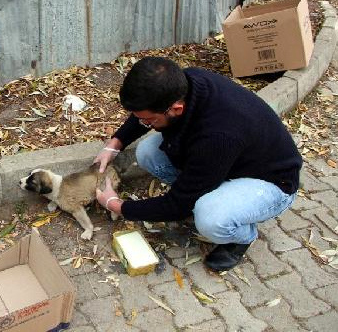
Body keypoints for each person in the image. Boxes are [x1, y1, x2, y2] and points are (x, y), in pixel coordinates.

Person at [95, 57, 302, 271]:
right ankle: (204, 190)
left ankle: (241, 237)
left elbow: (177, 204)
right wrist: (114, 144)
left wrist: (117, 205)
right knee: (148, 152)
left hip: (271, 182)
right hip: (229, 159)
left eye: (149, 121)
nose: (145, 124)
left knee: (210, 217)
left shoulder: (218, 136)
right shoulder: (187, 81)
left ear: (176, 108)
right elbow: (145, 111)